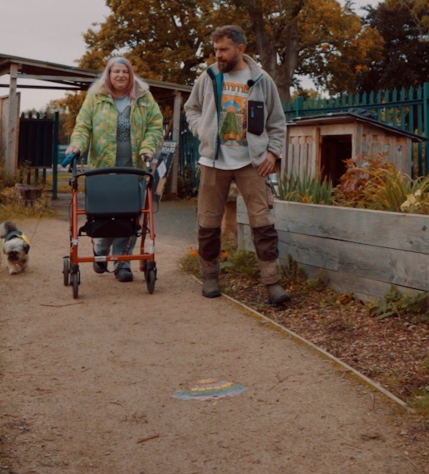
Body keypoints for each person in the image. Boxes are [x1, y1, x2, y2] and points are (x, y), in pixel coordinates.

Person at [185, 25, 290, 304]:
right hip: (212, 161)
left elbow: (277, 122)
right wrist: (202, 130)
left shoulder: (262, 80)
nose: (218, 55)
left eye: (224, 50)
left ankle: (272, 283)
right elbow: (191, 109)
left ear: (240, 49)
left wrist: (272, 154)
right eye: (216, 49)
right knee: (208, 223)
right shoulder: (208, 77)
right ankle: (209, 277)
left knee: (263, 223)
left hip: (252, 163)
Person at [67, 56, 163, 282]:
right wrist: (76, 145)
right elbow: (83, 126)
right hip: (102, 169)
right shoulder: (96, 97)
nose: (121, 75)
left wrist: (148, 147)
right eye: (116, 71)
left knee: (128, 216)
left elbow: (155, 126)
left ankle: (123, 263)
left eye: (125, 72)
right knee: (104, 215)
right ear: (108, 75)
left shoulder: (144, 98)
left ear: (131, 75)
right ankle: (101, 251)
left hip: (133, 169)